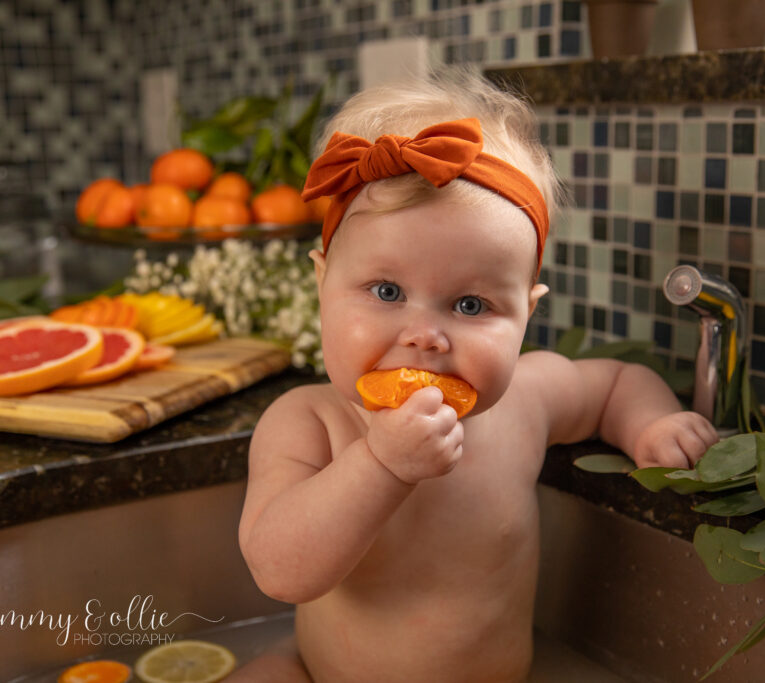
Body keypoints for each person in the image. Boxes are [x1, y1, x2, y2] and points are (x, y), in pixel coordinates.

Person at [233, 69, 719, 682]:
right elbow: (281, 572)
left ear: (527, 314)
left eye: (470, 306)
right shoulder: (309, 422)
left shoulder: (528, 400)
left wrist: (651, 426)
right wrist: (380, 465)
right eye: (387, 291)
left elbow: (616, 384)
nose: (425, 335)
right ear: (322, 283)